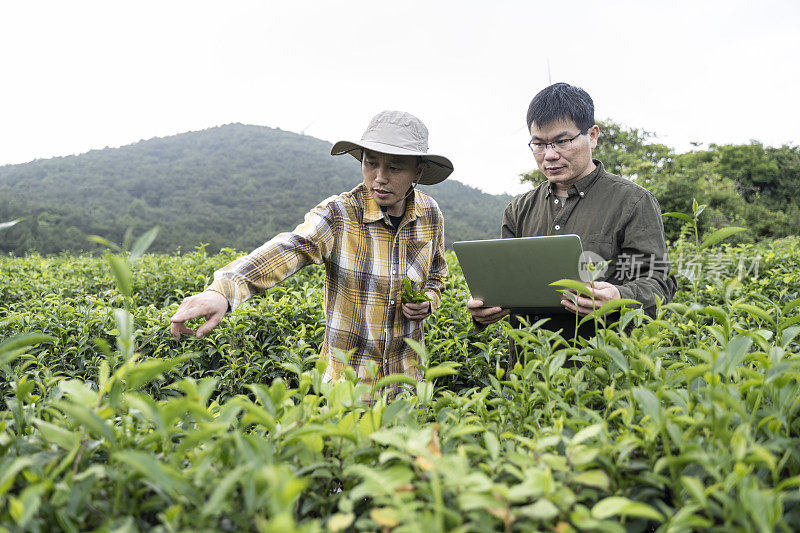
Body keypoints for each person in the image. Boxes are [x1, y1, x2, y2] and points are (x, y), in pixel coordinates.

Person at [170, 110, 453, 401]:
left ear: (417, 172)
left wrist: (428, 301)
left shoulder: (430, 215)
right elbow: (290, 247)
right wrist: (224, 291)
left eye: (394, 168)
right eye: (371, 163)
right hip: (348, 390)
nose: (379, 178)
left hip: (407, 385)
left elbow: (436, 275)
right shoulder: (339, 214)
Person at [468, 83, 675, 348]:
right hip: (527, 370)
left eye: (562, 141)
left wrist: (619, 297)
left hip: (599, 368)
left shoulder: (632, 202)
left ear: (592, 135)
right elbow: (504, 285)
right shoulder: (519, 210)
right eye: (539, 144)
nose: (550, 155)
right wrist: (486, 309)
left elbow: (660, 281)